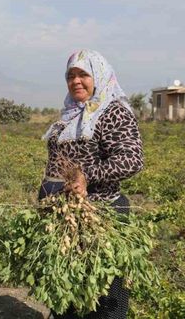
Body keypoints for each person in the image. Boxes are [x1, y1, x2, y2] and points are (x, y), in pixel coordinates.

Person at [39, 49, 144, 319]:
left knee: (104, 293)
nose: (76, 81)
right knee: (67, 288)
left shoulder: (113, 112)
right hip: (67, 215)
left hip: (102, 214)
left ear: (99, 76)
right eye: (70, 75)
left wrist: (87, 175)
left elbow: (131, 159)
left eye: (83, 74)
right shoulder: (71, 113)